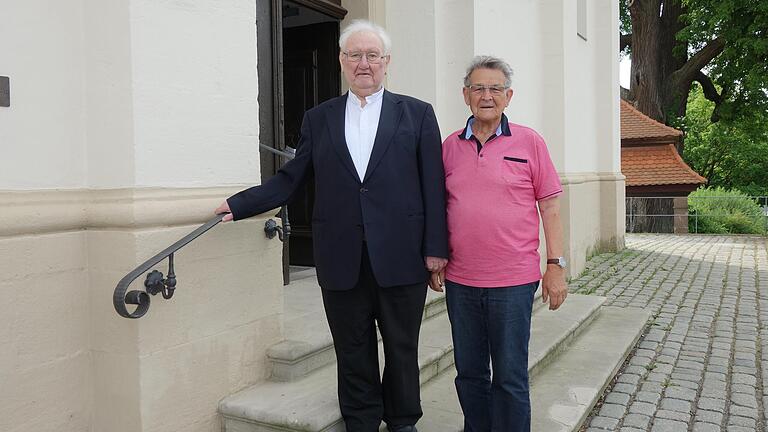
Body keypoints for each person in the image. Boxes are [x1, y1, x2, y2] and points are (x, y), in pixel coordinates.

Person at [215, 20, 448, 432]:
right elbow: (293, 178)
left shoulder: (417, 113)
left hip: (401, 255)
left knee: (401, 346)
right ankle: (360, 420)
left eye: (372, 55)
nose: (364, 63)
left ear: (386, 62)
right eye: (354, 55)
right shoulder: (319, 118)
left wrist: (436, 250)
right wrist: (240, 204)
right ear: (341, 61)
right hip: (341, 255)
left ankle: (402, 420)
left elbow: (433, 186)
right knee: (352, 346)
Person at [429, 55, 568, 432]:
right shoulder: (449, 147)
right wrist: (435, 254)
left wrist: (556, 265)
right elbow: (437, 206)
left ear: (508, 96)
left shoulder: (529, 142)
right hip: (462, 281)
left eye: (494, 89)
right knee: (470, 375)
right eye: (478, 88)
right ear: (465, 95)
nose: (486, 95)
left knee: (509, 377)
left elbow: (550, 206)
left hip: (513, 281)